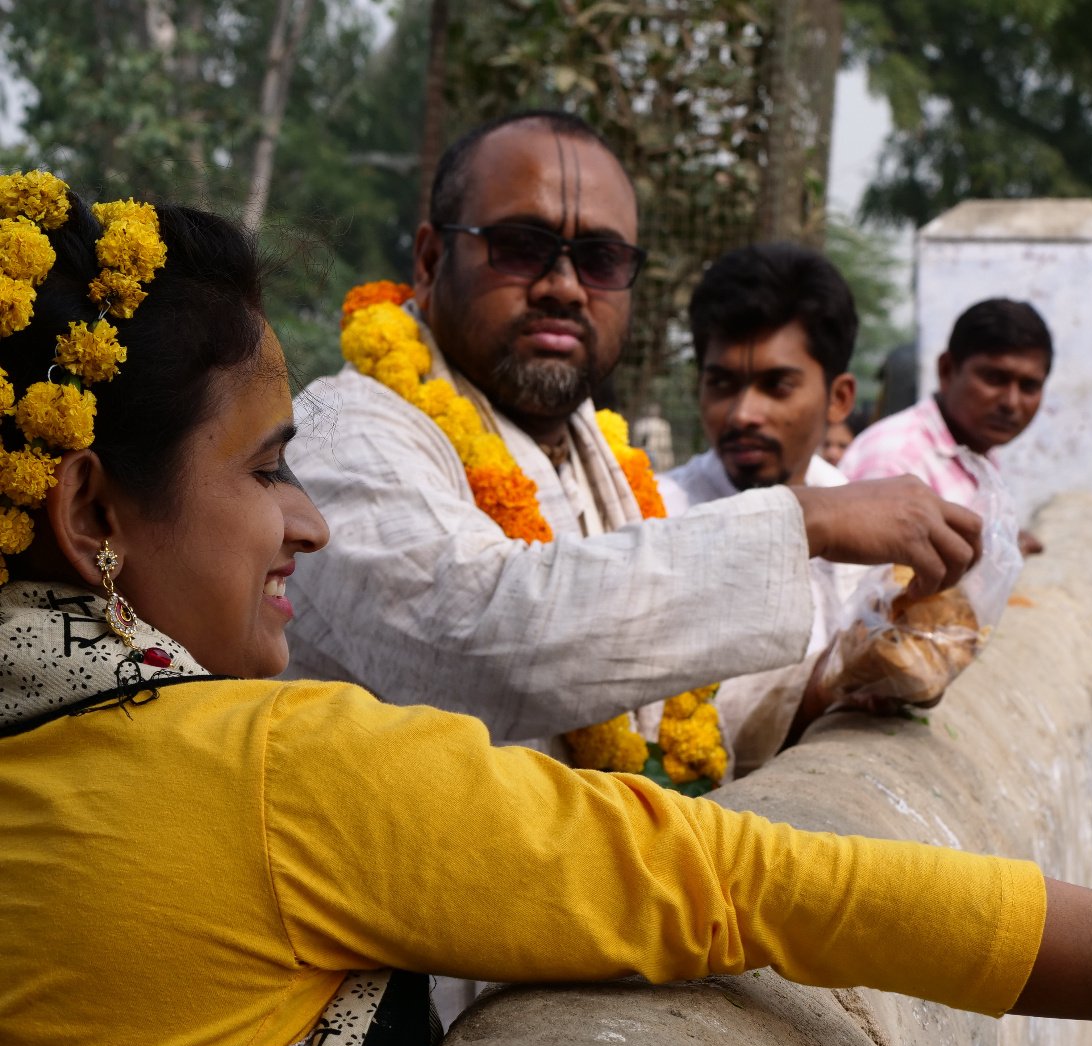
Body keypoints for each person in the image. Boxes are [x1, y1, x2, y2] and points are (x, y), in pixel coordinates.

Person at [0, 176, 1092, 1046]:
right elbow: (736, 878)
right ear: (87, 515)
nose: (308, 522)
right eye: (268, 478)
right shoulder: (269, 759)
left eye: (602, 258)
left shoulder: (591, 460)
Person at [284, 109, 982, 774]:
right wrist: (811, 520)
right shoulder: (342, 430)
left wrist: (839, 680)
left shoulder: (589, 448)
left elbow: (650, 718)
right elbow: (478, 637)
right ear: (432, 259)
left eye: (600, 259)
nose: (563, 286)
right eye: (523, 247)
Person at [659, 242, 865, 770]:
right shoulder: (656, 518)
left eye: (777, 386)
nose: (744, 413)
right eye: (722, 384)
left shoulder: (869, 532)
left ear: (839, 398)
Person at [842, 299, 1050, 545]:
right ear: (947, 370)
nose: (1011, 402)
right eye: (994, 378)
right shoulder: (895, 460)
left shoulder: (979, 454)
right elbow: (873, 581)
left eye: (1029, 386)